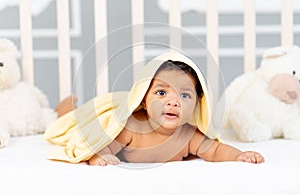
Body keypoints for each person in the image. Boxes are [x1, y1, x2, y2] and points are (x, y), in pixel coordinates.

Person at [44, 52, 264, 165]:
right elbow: (101, 144)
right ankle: (64, 108)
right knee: (75, 122)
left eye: (185, 95)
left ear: (197, 104)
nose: (173, 102)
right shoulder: (130, 126)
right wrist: (99, 157)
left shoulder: (189, 135)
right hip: (113, 106)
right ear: (144, 97)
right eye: (161, 92)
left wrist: (240, 155)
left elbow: (216, 150)